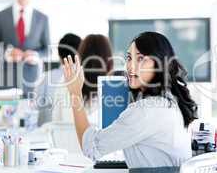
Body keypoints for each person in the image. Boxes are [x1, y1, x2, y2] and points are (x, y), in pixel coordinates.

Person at [62, 31, 198, 168]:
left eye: (140, 59)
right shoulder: (170, 100)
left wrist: (75, 94)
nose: (131, 66)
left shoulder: (146, 110)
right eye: (129, 58)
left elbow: (90, 148)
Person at [0, 0, 50, 97]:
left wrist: (35, 55)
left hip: (32, 81)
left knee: (31, 115)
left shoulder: (42, 18)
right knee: (5, 116)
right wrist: (6, 54)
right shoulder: (1, 16)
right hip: (6, 80)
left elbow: (47, 50)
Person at [52, 34, 113, 124]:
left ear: (80, 55)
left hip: (65, 137)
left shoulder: (66, 80)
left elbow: (55, 121)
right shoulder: (113, 88)